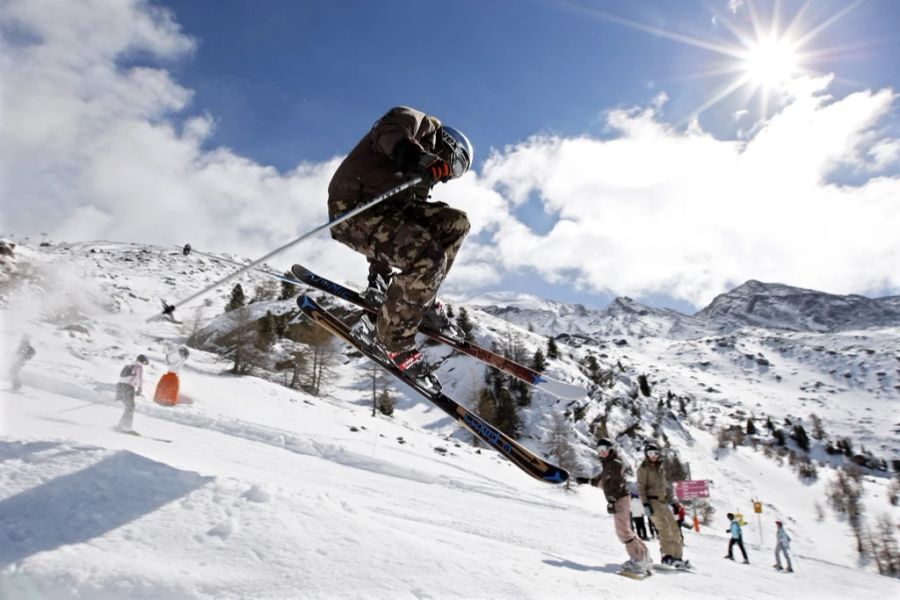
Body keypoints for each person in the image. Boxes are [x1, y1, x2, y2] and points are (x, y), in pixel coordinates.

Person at [327, 106, 473, 380]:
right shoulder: (420, 124)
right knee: (428, 259)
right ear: (449, 147)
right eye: (455, 167)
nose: (449, 176)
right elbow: (389, 131)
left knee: (455, 223)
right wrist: (417, 158)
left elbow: (399, 236)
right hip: (353, 206)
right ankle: (393, 341)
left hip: (383, 215)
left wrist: (379, 276)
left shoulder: (421, 182)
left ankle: (421, 299)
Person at [637, 443, 688, 568]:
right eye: (649, 454)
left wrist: (673, 501)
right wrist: (645, 504)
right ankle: (667, 556)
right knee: (664, 528)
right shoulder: (643, 469)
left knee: (675, 529)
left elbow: (665, 487)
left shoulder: (659, 468)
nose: (652, 456)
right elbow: (641, 488)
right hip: (652, 501)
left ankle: (677, 557)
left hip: (663, 502)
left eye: (654, 453)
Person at [116, 354, 148, 433]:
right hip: (128, 387)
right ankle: (125, 427)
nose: (145, 364)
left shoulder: (130, 365)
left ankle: (122, 425)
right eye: (145, 362)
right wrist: (140, 389)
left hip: (120, 386)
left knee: (128, 407)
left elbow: (123, 377)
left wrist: (119, 393)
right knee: (130, 407)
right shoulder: (139, 367)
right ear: (143, 361)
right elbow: (139, 378)